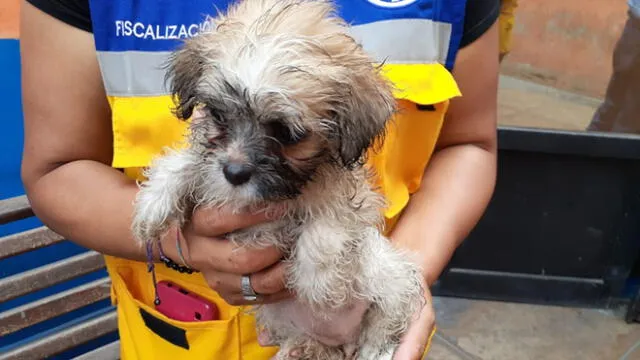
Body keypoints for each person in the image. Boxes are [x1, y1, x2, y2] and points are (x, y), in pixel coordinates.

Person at [19, 0, 499, 359]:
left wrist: (403, 278)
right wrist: (179, 241)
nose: (236, 160)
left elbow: (469, 144)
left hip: (364, 317)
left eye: (286, 133)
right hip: (177, 337)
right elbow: (56, 168)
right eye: (220, 118)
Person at [587, 0, 640, 134]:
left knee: (613, 105)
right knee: (630, 116)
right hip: (635, 31)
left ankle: (584, 147)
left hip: (632, 31)